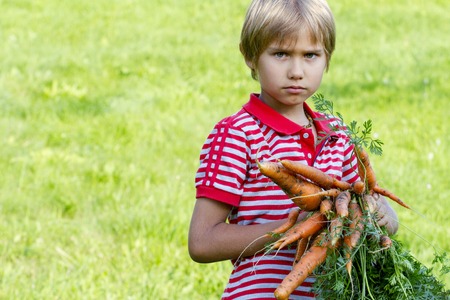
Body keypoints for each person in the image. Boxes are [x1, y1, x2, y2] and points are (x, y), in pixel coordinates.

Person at [188, 0, 399, 299]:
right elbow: (202, 242)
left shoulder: (337, 134)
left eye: (310, 55)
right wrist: (291, 227)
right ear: (250, 56)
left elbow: (366, 201)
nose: (296, 71)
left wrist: (383, 216)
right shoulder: (237, 134)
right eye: (281, 54)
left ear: (327, 58)